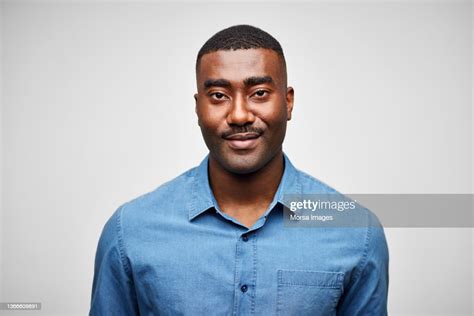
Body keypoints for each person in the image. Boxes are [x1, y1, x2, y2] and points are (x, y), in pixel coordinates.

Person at [89, 24, 389, 315]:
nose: (239, 115)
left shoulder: (355, 232)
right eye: (219, 95)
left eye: (259, 93)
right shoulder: (130, 231)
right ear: (198, 108)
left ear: (288, 102)